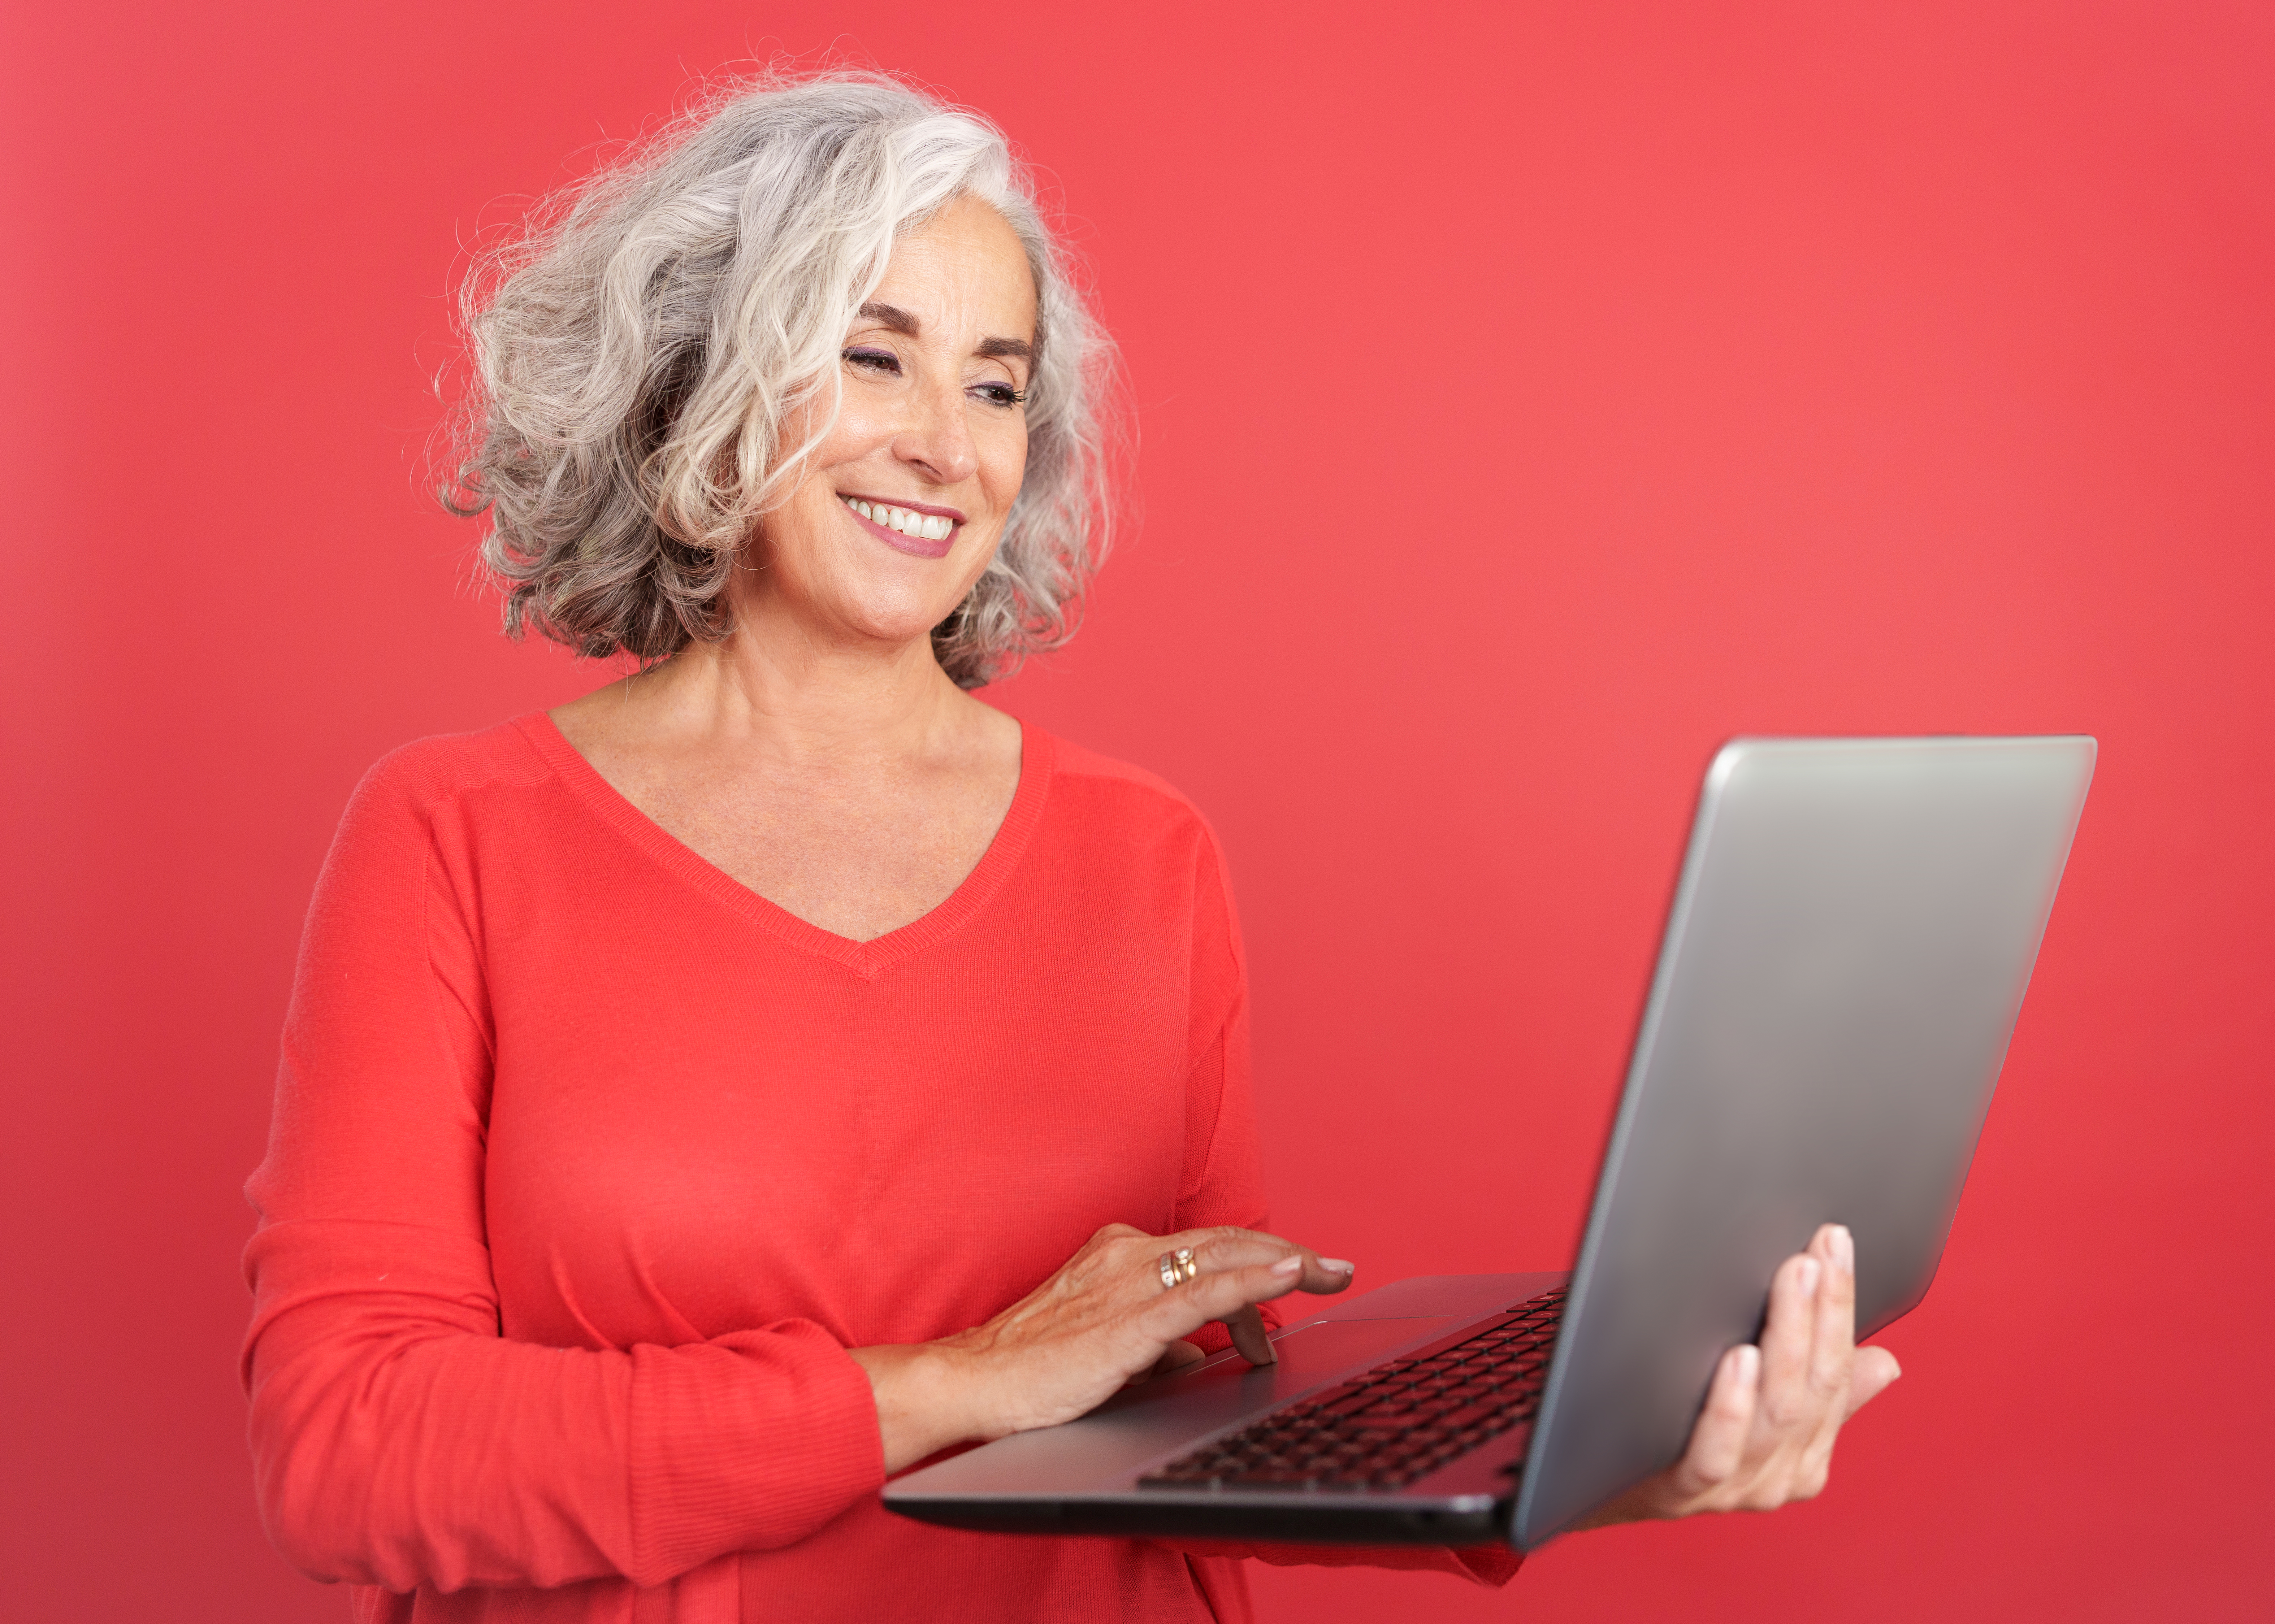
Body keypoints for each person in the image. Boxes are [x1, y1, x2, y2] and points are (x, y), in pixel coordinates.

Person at [240, 70, 1901, 1624]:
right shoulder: (456, 837)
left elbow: (1189, 1435)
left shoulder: (1144, 857)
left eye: (996, 384)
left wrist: (1610, 1466)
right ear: (699, 386)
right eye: (872, 355)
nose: (945, 449)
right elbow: (352, 1449)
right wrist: (964, 1380)